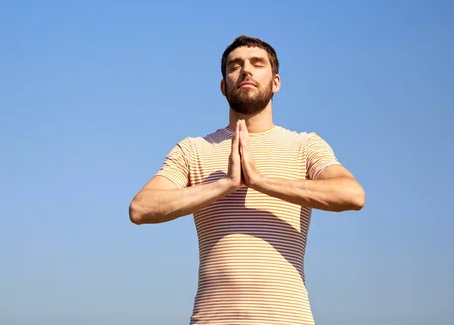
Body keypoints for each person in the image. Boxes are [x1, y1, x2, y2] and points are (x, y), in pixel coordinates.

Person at [128, 35, 365, 324]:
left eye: (257, 63)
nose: (246, 71)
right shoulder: (193, 149)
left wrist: (260, 181)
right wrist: (224, 185)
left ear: (275, 82)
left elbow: (352, 194)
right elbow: (141, 208)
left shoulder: (305, 146)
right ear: (223, 85)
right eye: (234, 65)